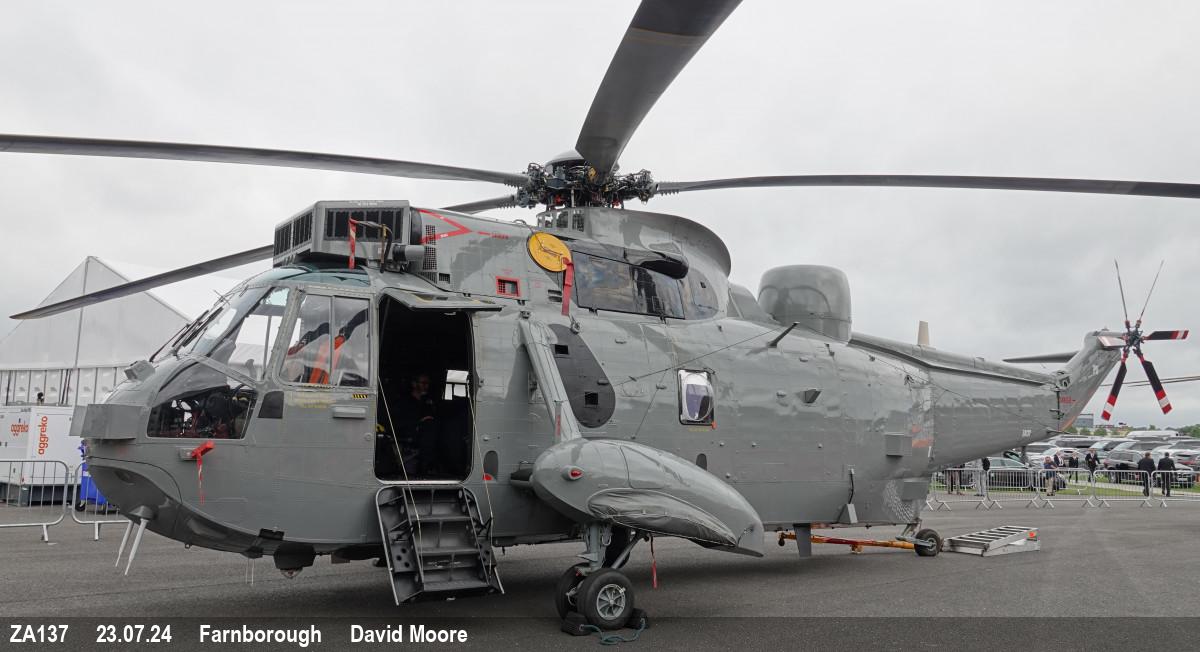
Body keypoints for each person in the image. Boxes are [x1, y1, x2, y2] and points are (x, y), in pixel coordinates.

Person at [401, 374, 439, 476]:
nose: (426, 386)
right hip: (409, 432)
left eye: (428, 383)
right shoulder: (405, 401)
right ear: (414, 384)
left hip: (428, 433)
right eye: (423, 383)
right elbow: (400, 421)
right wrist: (419, 422)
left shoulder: (428, 401)